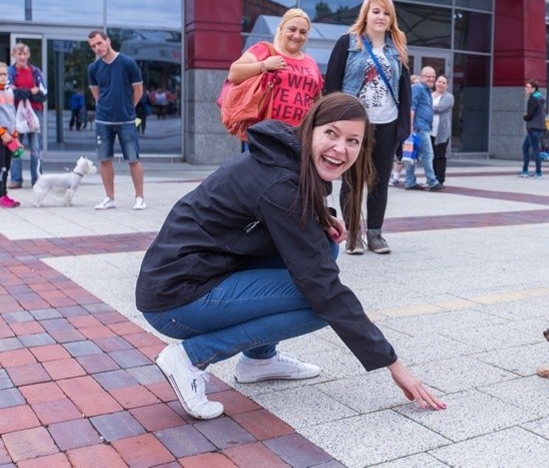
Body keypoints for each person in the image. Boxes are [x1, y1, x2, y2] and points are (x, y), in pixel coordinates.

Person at [136, 93, 446, 420]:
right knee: (320, 303)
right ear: (310, 128)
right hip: (175, 299)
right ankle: (190, 358)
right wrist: (393, 363)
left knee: (324, 248)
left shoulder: (283, 156)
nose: (341, 148)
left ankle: (260, 360)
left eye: (353, 140)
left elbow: (270, 215)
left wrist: (320, 217)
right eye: (331, 133)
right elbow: (323, 286)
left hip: (195, 273)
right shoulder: (281, 184)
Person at [324, 0, 411, 255]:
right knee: (352, 180)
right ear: (366, 14)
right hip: (354, 124)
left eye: (386, 13)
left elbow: (404, 90)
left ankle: (375, 234)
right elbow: (332, 85)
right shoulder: (347, 42)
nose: (381, 17)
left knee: (379, 181)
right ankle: (352, 235)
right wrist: (333, 123)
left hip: (387, 123)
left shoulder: (396, 47)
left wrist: (403, 128)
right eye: (376, 11)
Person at [228, 8, 323, 133]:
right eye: (292, 29)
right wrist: (264, 65)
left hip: (299, 134)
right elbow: (234, 74)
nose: (297, 35)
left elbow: (317, 99)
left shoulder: (311, 63)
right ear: (281, 28)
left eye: (303, 32)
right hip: (265, 133)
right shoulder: (265, 49)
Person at [87, 29, 146, 211]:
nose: (97, 48)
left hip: (127, 120)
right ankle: (109, 198)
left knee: (133, 159)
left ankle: (139, 198)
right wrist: (106, 107)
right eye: (93, 46)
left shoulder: (127, 63)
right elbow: (96, 93)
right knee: (104, 159)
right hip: (103, 121)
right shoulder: (93, 68)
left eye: (99, 43)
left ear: (108, 41)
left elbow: (138, 90)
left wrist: (128, 108)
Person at [8, 42, 46, 189]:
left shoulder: (35, 71)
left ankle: (37, 180)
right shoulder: (10, 72)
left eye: (25, 54)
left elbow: (43, 93)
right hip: (15, 114)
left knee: (35, 147)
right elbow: (11, 92)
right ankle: (16, 180)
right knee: (16, 147)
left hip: (34, 113)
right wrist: (31, 92)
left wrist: (22, 92)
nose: (22, 57)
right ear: (14, 55)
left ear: (28, 55)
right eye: (19, 54)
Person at [405, 66, 442, 191]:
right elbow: (411, 108)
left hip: (423, 126)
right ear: (421, 76)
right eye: (428, 76)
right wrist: (410, 127)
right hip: (419, 127)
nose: (431, 79)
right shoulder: (418, 88)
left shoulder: (426, 90)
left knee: (413, 155)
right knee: (428, 154)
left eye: (433, 76)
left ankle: (409, 181)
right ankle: (432, 181)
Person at [0, 62, 22, 208]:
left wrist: (14, 134)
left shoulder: (9, 91)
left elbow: (12, 114)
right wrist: (2, 133)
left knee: (6, 166)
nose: (2, 77)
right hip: (1, 135)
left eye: (4, 74)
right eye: (0, 74)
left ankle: (3, 194)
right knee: (0, 166)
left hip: (9, 135)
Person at [518, 79, 545, 179]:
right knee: (526, 147)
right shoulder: (539, 97)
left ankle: (538, 172)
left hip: (533, 127)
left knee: (535, 150)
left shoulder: (533, 99)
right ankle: (525, 170)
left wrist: (525, 117)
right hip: (538, 127)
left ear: (533, 89)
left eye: (528, 87)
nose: (526, 89)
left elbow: (530, 114)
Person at [431, 74, 455, 185]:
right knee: (431, 155)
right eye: (439, 81)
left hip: (442, 132)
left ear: (447, 86)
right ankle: (431, 178)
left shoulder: (449, 97)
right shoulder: (430, 95)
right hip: (430, 130)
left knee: (440, 155)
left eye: (443, 83)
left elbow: (439, 108)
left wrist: (426, 107)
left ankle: (440, 179)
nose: (440, 84)